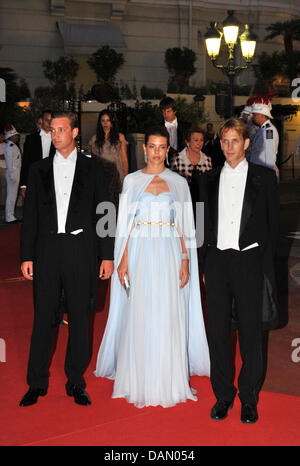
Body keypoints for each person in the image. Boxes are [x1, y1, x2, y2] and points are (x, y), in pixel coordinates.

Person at [94, 126, 210, 408]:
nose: (157, 152)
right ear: (144, 149)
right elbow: (125, 225)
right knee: (141, 310)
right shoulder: (132, 181)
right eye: (152, 147)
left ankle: (168, 375)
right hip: (140, 251)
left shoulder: (179, 182)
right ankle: (140, 375)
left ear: (167, 150)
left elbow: (185, 225)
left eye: (162, 147)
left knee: (168, 311)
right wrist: (122, 260)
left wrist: (185, 259)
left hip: (170, 251)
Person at [19, 111, 114, 407]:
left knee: (80, 318)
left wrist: (107, 256)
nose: (55, 134)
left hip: (81, 251)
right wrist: (27, 255)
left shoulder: (96, 168)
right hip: (47, 252)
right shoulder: (38, 170)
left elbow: (106, 213)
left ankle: (75, 381)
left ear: (75, 133)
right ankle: (36, 382)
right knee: (43, 318)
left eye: (61, 129)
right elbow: (30, 216)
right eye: (53, 130)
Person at [192, 118, 279, 424]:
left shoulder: (265, 179)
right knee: (218, 334)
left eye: (234, 141)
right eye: (224, 141)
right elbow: (201, 226)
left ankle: (249, 398)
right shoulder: (208, 178)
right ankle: (223, 396)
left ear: (245, 143)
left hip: (249, 263)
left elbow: (272, 228)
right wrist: (203, 263)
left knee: (251, 334)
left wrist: (265, 269)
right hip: (216, 264)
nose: (229, 147)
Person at [20, 110, 55, 198]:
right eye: (47, 120)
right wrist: (23, 185)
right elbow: (26, 162)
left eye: (51, 120)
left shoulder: (58, 138)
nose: (49, 123)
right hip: (35, 179)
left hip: (53, 180)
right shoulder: (31, 139)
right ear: (42, 120)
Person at [89, 109, 128, 186]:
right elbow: (94, 161)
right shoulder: (94, 139)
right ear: (100, 123)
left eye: (108, 120)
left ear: (112, 122)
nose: (105, 123)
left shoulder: (120, 137)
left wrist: (126, 177)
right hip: (101, 175)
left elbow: (124, 158)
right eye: (103, 120)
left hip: (117, 174)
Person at [248, 94, 279, 176]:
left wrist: (266, 176)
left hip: (264, 173)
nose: (252, 116)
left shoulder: (269, 131)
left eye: (254, 114)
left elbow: (269, 155)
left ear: (261, 115)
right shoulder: (263, 129)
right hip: (259, 171)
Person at [159, 96, 190, 165]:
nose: (165, 115)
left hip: (183, 162)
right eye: (163, 112)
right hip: (164, 163)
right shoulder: (158, 127)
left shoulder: (186, 127)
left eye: (168, 111)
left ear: (175, 111)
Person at [4, 124, 22, 224]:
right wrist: (11, 175)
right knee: (11, 195)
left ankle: (11, 215)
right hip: (13, 172)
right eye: (15, 135)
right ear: (10, 136)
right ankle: (9, 216)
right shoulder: (9, 147)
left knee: (13, 195)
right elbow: (9, 162)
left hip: (15, 171)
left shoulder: (13, 146)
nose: (17, 136)